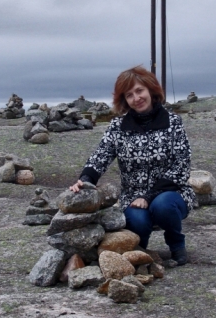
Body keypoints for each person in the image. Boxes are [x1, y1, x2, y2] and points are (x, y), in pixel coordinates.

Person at [69, 65, 196, 265]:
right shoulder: (117, 127)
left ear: (151, 90)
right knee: (137, 220)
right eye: (129, 95)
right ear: (124, 100)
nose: (136, 98)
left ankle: (176, 245)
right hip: (133, 197)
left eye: (139, 91)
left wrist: (149, 196)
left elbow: (181, 165)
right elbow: (101, 155)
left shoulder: (173, 122)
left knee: (162, 206)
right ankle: (139, 253)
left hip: (172, 192)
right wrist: (85, 180)